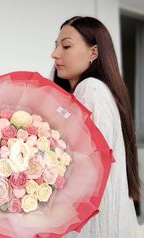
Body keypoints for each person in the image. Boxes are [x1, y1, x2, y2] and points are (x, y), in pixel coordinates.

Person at [52, 16, 144, 238]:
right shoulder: (95, 92)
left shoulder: (90, 89)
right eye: (56, 46)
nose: (55, 54)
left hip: (95, 226)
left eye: (66, 46)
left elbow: (86, 165)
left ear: (94, 53)